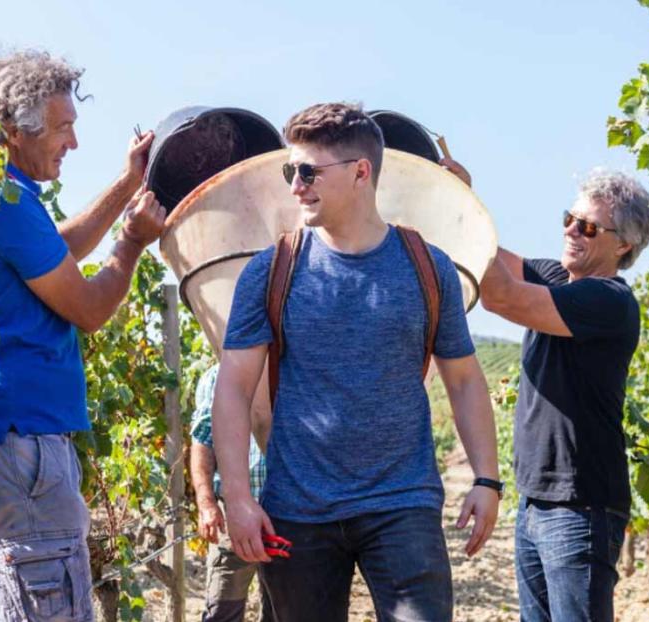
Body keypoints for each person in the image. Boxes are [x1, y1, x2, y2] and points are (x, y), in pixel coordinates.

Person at [212, 102, 502, 621]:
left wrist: (486, 477)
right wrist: (237, 496)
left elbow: (463, 380)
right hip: (297, 511)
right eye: (289, 172)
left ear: (361, 172)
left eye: (307, 171)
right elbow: (233, 387)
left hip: (402, 504)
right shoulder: (272, 269)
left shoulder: (427, 267)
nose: (294, 185)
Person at [0, 50, 165, 621]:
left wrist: (127, 184)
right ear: (14, 131)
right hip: (24, 446)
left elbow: (58, 252)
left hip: (10, 441)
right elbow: (91, 307)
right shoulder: (8, 198)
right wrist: (132, 244)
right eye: (63, 127)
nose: (72, 142)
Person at [471, 167, 649, 622]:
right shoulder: (557, 276)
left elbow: (501, 297)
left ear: (623, 245)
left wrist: (456, 210)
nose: (572, 230)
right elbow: (483, 256)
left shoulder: (608, 301)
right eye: (569, 219)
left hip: (580, 509)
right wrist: (459, 196)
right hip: (535, 502)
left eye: (588, 226)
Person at [190, 364, 272, 622]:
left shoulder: (292, 368)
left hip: (288, 516)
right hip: (234, 521)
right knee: (221, 613)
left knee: (287, 611)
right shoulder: (217, 375)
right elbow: (203, 441)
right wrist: (206, 503)